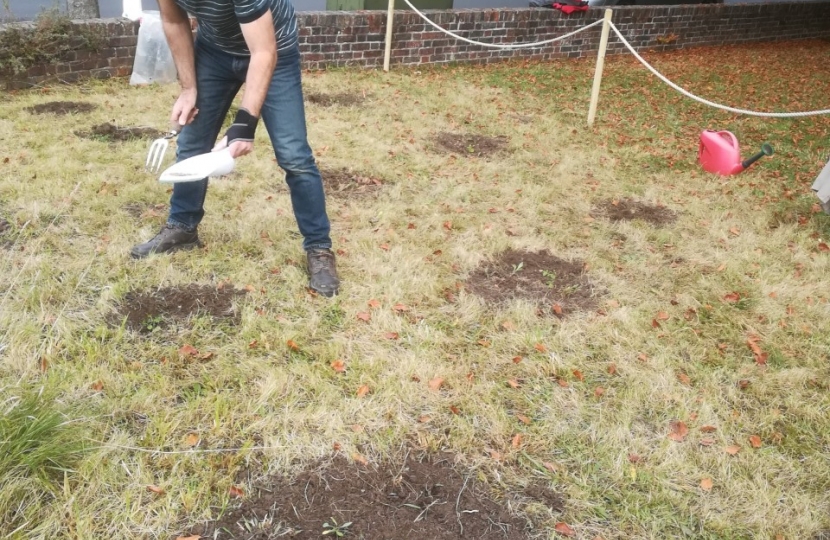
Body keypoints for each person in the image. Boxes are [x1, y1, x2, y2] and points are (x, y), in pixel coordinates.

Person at [131, 0, 340, 298]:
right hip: (214, 50)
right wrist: (188, 89)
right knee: (192, 143)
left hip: (273, 48)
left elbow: (264, 52)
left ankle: (319, 248)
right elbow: (175, 21)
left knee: (294, 155)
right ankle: (182, 226)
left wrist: (244, 124)